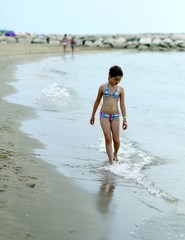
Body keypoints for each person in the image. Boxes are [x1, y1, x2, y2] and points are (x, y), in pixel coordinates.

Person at [90, 65, 128, 165]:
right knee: (108, 138)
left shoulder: (121, 89)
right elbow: (97, 101)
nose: (118, 81)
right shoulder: (102, 87)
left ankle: (115, 154)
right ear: (110, 76)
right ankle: (111, 162)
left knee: (116, 140)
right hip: (104, 116)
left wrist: (125, 119)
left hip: (115, 116)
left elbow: (122, 105)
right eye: (116, 79)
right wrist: (93, 115)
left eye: (119, 80)